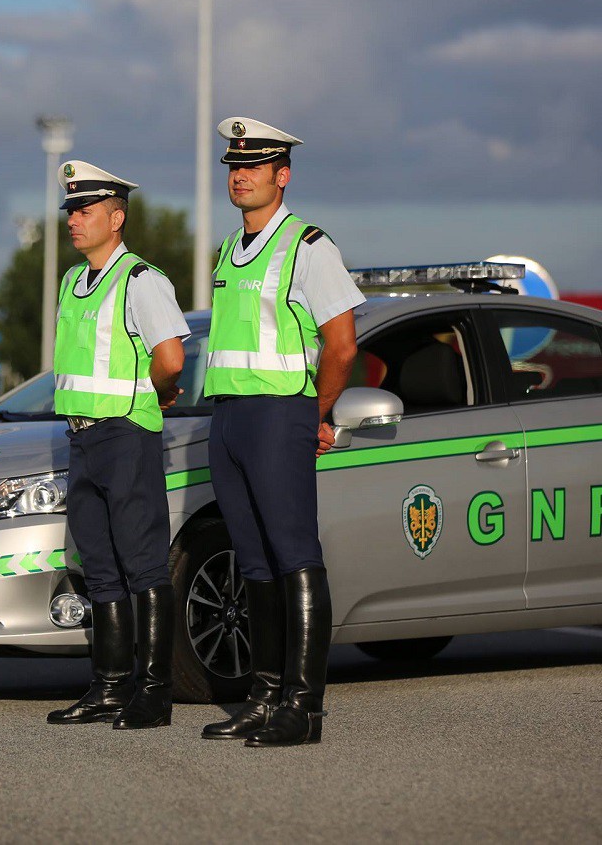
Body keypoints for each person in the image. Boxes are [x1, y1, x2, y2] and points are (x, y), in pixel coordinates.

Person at [201, 118, 363, 747]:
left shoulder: (308, 245)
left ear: (281, 174)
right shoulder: (226, 249)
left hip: (279, 416)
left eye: (254, 165)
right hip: (230, 422)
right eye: (234, 166)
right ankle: (262, 697)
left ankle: (303, 706)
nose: (240, 175)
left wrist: (314, 413)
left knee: (295, 557)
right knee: (254, 563)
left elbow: (342, 345)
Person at [45, 160, 190, 730]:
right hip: (81, 438)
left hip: (125, 435)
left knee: (144, 566)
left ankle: (154, 691)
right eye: (71, 211)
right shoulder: (71, 281)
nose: (74, 220)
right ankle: (108, 687)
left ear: (117, 216)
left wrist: (153, 396)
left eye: (85, 210)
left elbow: (171, 356)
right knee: (100, 568)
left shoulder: (140, 280)